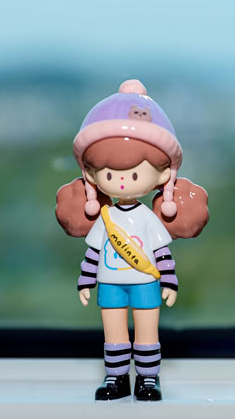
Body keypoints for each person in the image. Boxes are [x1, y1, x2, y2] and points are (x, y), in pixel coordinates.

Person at [56, 80, 209, 401]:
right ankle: (116, 377)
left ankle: (148, 378)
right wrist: (86, 281)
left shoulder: (147, 218)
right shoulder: (106, 217)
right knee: (113, 335)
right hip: (110, 283)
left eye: (135, 173)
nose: (123, 181)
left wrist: (169, 281)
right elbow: (93, 254)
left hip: (145, 282)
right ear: (91, 175)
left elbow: (162, 253)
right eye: (110, 174)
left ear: (164, 174)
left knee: (147, 333)